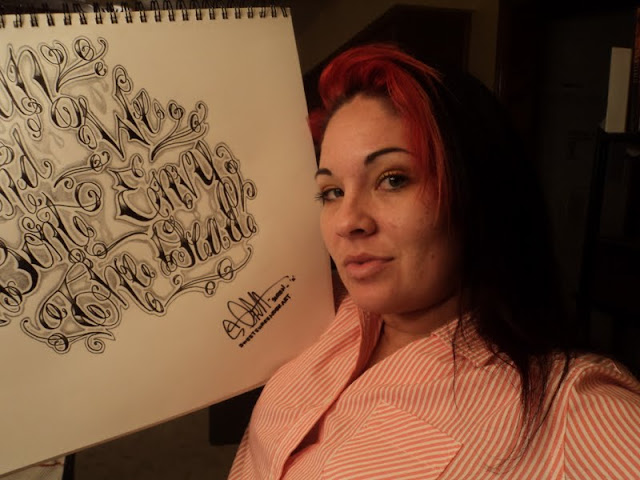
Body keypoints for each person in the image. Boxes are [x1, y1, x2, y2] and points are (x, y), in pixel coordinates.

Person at [228, 44, 640, 479]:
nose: (347, 221)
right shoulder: (318, 309)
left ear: (478, 192)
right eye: (332, 192)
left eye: (393, 179)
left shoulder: (572, 407)